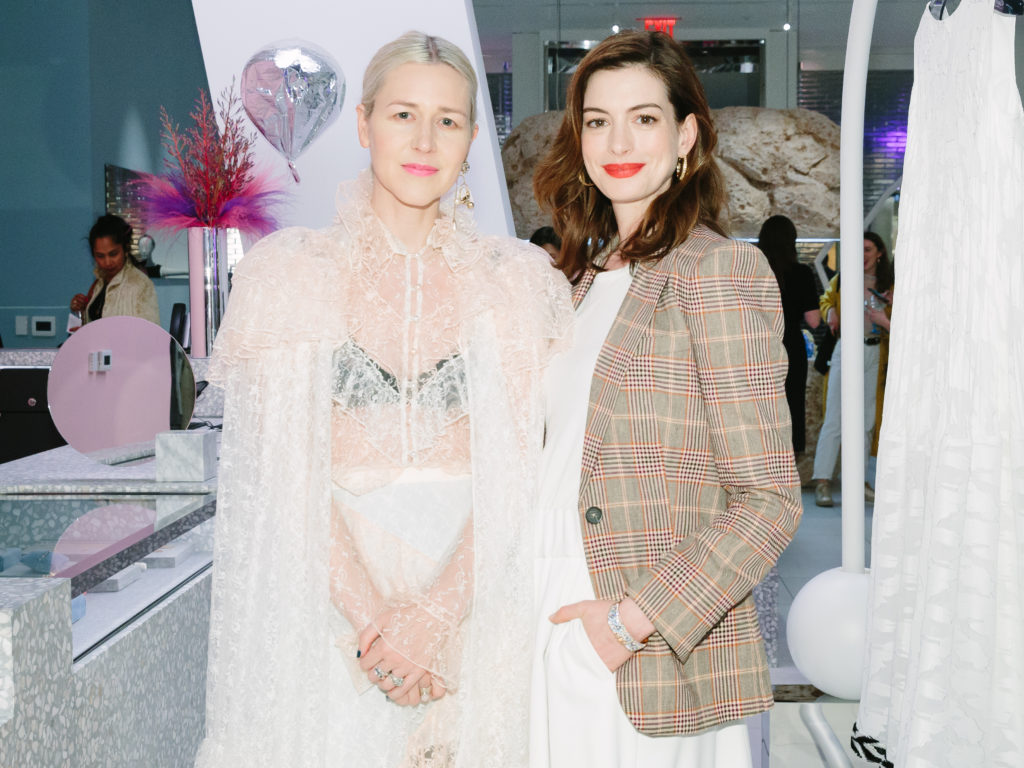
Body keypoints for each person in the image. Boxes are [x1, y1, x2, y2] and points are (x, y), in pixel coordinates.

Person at [194, 32, 572, 767]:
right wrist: (379, 630)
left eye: (450, 120)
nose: (425, 139)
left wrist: (434, 617)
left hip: (479, 606)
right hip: (328, 611)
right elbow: (279, 478)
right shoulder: (289, 276)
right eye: (403, 115)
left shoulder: (520, 282)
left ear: (472, 138)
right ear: (364, 124)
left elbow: (526, 470)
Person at [531, 30, 802, 767]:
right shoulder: (577, 284)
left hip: (638, 645)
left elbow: (768, 500)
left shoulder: (719, 271)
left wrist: (627, 624)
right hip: (543, 614)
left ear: (686, 134)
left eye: (644, 118)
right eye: (597, 120)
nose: (618, 139)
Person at [810, 232, 893, 507]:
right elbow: (825, 301)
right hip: (847, 348)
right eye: (859, 249)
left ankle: (857, 482)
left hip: (874, 350)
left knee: (867, 420)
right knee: (835, 416)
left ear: (879, 252)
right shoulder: (845, 278)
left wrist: (888, 308)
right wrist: (830, 312)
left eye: (868, 249)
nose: (863, 254)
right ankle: (822, 480)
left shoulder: (889, 284)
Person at [757, 214, 821, 454]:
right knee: (792, 404)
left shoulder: (753, 271)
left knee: (761, 406)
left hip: (759, 346)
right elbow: (814, 321)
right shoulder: (802, 273)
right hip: (790, 346)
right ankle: (789, 461)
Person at [69, 214, 159, 327]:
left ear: (125, 249)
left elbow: (151, 334)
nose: (107, 262)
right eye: (100, 256)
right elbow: (91, 331)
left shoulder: (140, 284)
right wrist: (80, 311)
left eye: (113, 254)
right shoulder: (98, 285)